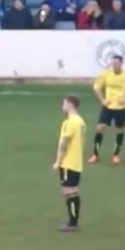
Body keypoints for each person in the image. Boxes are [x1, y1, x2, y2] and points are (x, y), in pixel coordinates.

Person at [89, 55, 125, 165]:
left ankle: (116, 155)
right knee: (100, 128)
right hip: (107, 107)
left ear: (121, 63)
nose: (114, 65)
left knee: (120, 130)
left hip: (120, 109)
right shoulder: (106, 74)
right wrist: (102, 100)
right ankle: (95, 155)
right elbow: (96, 87)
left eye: (116, 63)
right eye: (112, 63)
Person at [53, 95, 86, 232]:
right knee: (73, 191)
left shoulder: (70, 122)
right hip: (77, 161)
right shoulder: (80, 121)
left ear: (70, 105)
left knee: (69, 191)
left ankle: (72, 223)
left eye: (64, 104)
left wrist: (58, 162)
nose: (62, 106)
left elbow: (64, 144)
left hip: (68, 162)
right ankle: (73, 221)